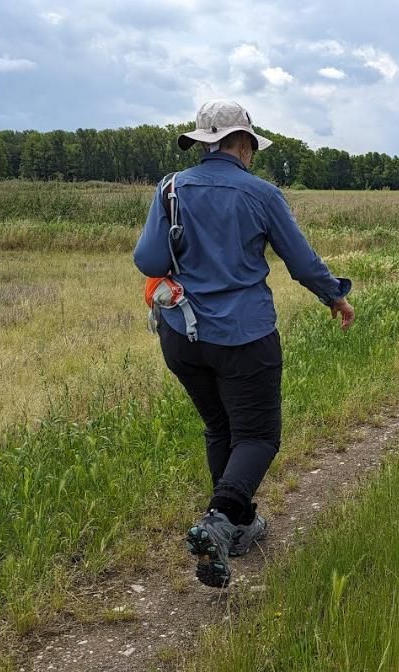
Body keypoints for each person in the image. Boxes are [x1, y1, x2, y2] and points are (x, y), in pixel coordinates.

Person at [133, 100, 355, 588]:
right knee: (257, 437)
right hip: (244, 337)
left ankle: (239, 526)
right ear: (244, 144)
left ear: (202, 142)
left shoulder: (170, 188)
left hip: (182, 336)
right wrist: (335, 295)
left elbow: (148, 258)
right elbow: (300, 260)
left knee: (220, 428)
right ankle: (219, 518)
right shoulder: (261, 194)